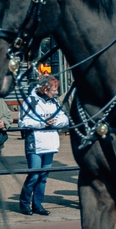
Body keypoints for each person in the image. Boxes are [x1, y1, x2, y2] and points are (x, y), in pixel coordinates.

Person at [18, 75, 69, 216]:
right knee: (34, 175)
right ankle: (24, 204)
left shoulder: (54, 103)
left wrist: (54, 122)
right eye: (55, 89)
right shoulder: (31, 101)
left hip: (50, 143)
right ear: (46, 89)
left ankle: (37, 205)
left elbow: (64, 119)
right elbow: (23, 122)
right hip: (35, 142)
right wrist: (43, 122)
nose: (57, 92)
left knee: (43, 177)